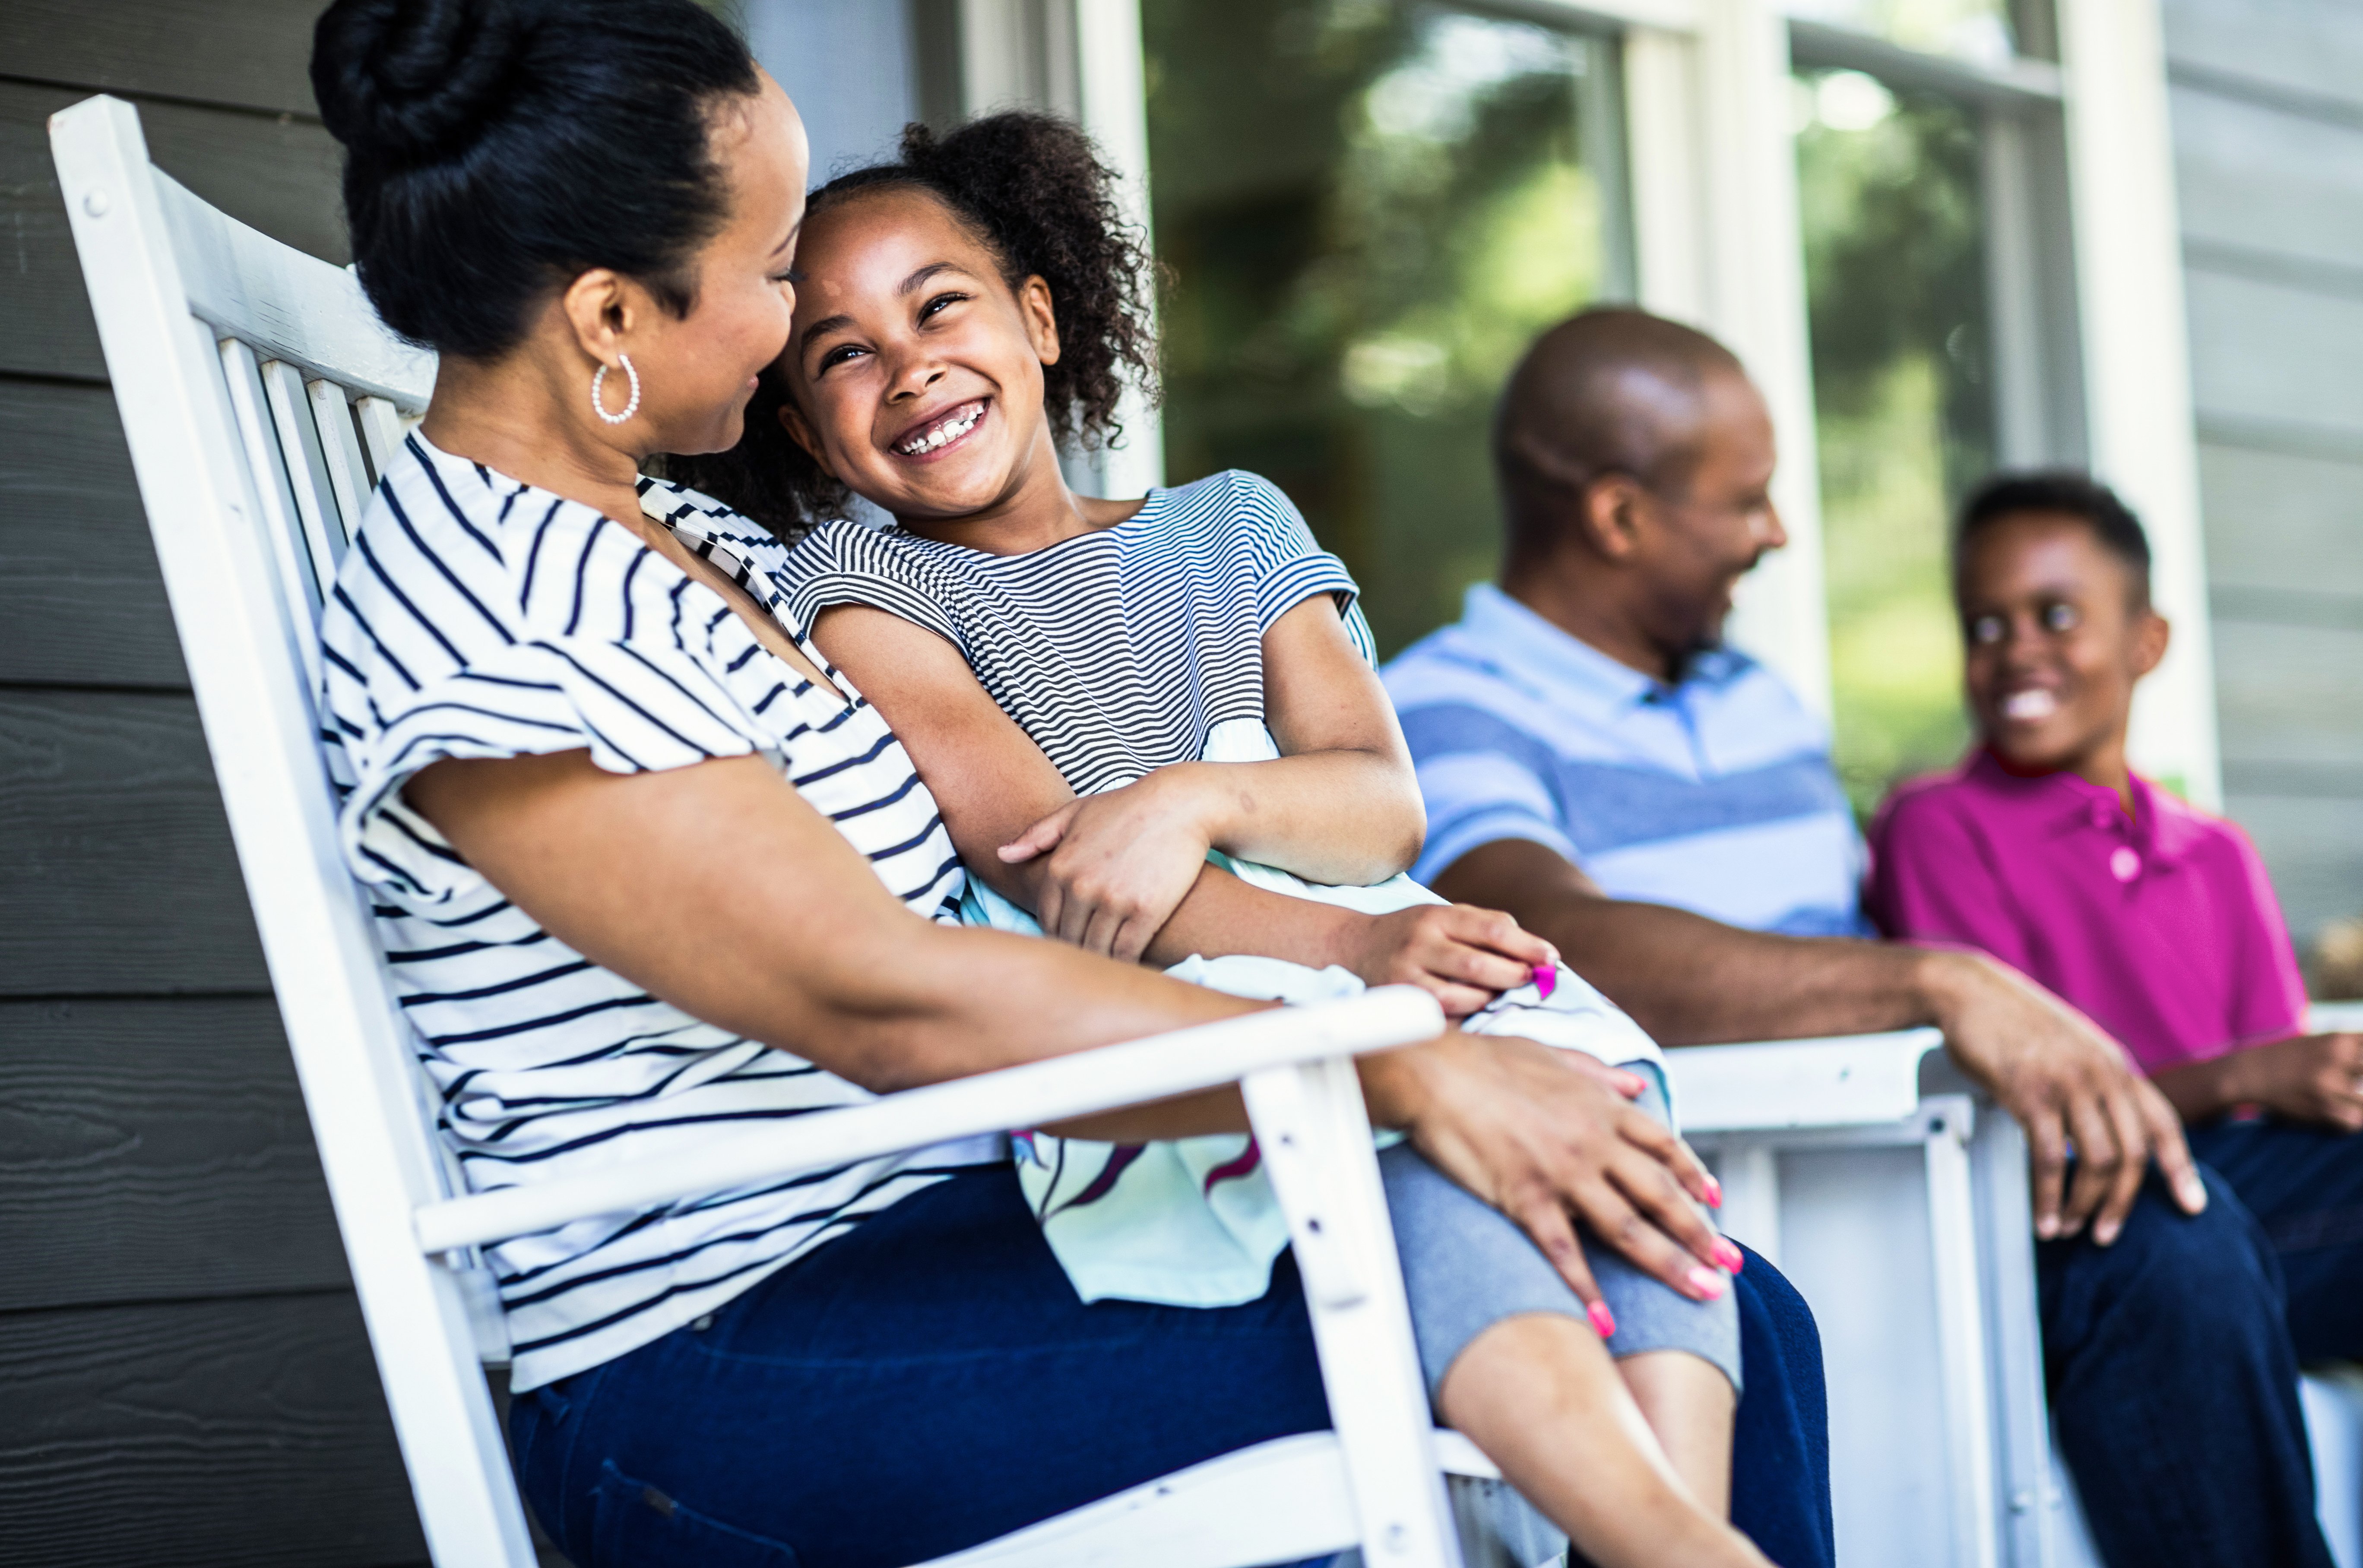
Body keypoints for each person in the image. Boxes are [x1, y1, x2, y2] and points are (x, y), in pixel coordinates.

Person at [304, 0, 1828, 1565]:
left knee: (1706, 1280)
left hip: (965, 1215)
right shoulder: (504, 622)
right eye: (777, 279)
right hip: (725, 1349)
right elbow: (881, 997)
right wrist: (1392, 1065)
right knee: (1536, 1286)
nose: (784, 331)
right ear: (612, 318)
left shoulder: (693, 537)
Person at [672, 112, 1767, 1567]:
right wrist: (1354, 941)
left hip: (1368, 942)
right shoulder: (861, 578)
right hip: (1176, 1013)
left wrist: (1199, 796)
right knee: (1437, 1147)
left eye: (940, 307)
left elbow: (1379, 797)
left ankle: (1674, 1532)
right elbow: (1045, 855)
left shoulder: (1234, 524)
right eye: (843, 353)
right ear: (807, 431)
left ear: (1043, 317)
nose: (910, 364)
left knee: (1600, 1117)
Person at [1378, 306, 2327, 1568]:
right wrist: (1941, 983)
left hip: (1969, 1159)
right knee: (2174, 1261)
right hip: (1821, 1213)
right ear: (1620, 518)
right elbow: (1542, 934)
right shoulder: (1448, 701)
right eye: (1748, 501)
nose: (1775, 535)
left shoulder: (1757, 701)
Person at [1866, 471, 2361, 1568]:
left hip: (2241, 1198)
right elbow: (2033, 1100)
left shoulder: (2215, 850)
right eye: (1984, 626)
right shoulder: (1938, 827)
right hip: (2075, 1215)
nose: (2015, 651)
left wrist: (2303, 1080)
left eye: (2055, 616)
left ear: (2147, 641)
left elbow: (2269, 1109)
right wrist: (2249, 1074)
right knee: (2191, 1252)